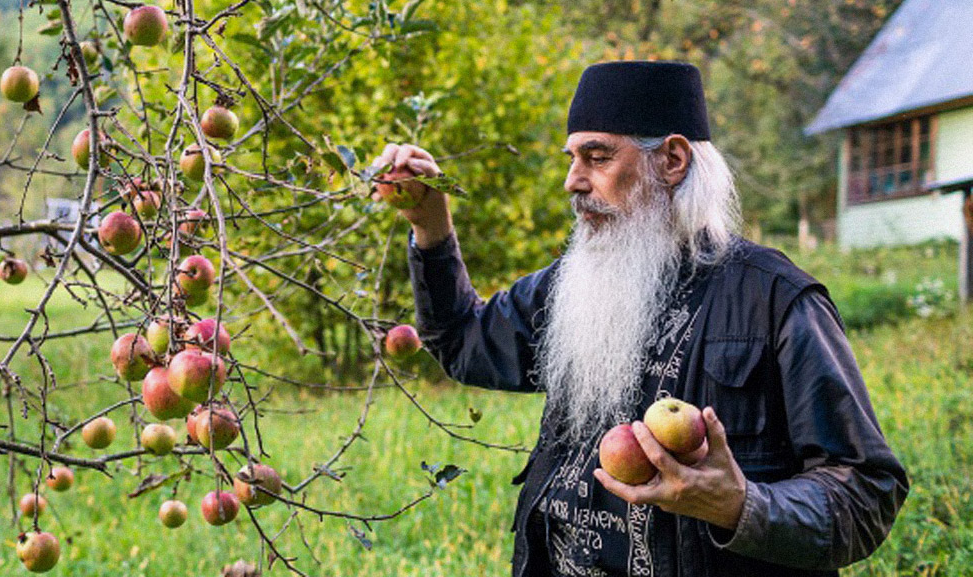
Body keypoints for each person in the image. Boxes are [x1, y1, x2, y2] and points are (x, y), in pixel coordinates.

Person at [374, 61, 908, 577]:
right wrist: (430, 223)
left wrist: (740, 506)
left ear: (672, 160)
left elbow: (867, 491)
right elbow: (463, 341)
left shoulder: (774, 300)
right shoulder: (571, 286)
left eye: (597, 157)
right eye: (572, 158)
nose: (572, 181)